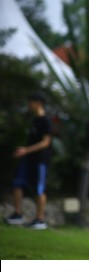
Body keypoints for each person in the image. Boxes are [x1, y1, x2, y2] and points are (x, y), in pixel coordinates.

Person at [6, 92, 52, 230]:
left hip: (40, 160)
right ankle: (17, 214)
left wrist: (26, 150)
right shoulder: (35, 120)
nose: (29, 105)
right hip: (29, 159)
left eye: (31, 102)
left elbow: (46, 142)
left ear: (39, 103)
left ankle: (40, 219)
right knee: (17, 183)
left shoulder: (45, 121)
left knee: (39, 189)